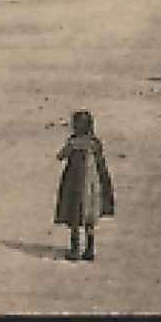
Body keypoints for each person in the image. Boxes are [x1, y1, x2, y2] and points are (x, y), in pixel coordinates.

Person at [54, 110, 114, 261]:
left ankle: (75, 250)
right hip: (93, 183)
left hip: (75, 183)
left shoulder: (73, 142)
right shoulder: (95, 143)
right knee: (89, 216)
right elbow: (101, 162)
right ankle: (89, 249)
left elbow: (61, 155)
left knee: (75, 214)